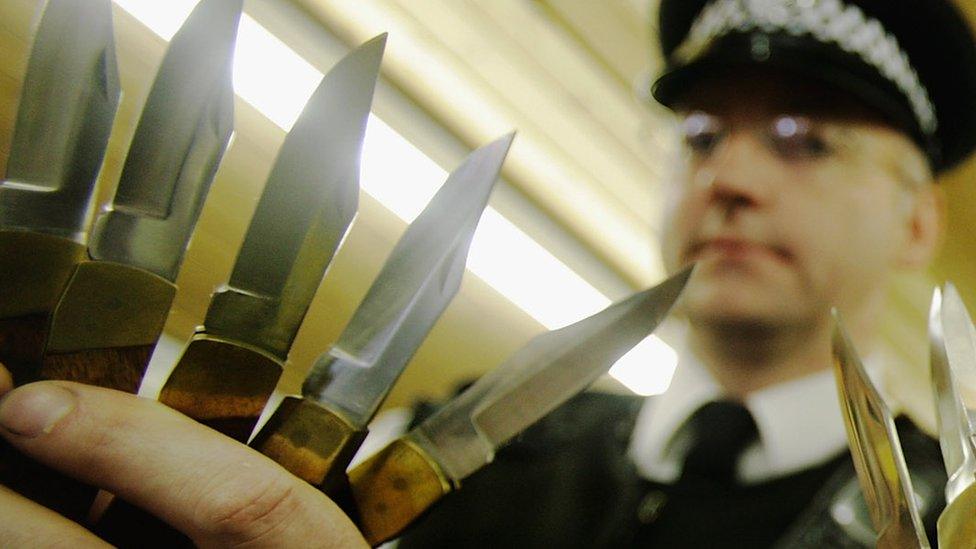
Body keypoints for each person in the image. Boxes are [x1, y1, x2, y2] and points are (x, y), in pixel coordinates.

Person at [0, 0, 975, 546]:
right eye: (701, 135)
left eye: (804, 141)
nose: (728, 180)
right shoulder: (472, 439)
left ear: (917, 219)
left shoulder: (943, 522)